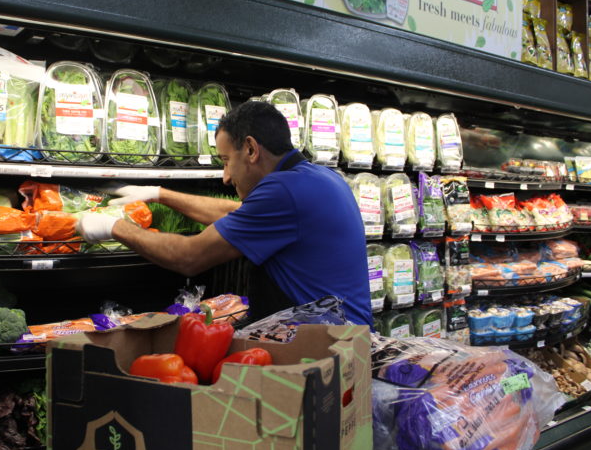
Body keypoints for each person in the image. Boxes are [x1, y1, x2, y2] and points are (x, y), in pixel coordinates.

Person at [78, 101, 371, 325]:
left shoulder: (284, 190)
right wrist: (159, 194)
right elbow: (236, 213)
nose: (226, 177)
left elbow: (189, 256)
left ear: (251, 150)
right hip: (341, 341)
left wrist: (113, 227)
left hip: (324, 350)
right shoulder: (317, 177)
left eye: (227, 161)